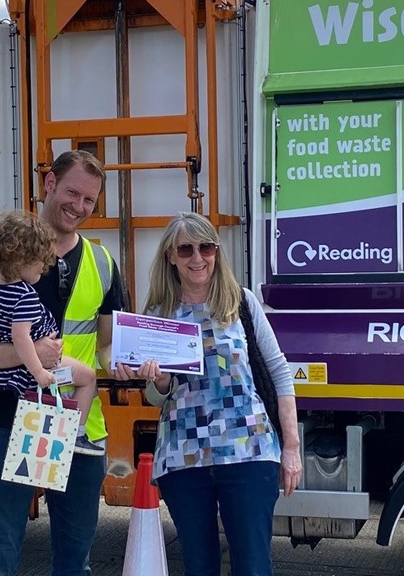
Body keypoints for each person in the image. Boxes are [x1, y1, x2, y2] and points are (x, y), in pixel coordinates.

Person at [0, 150, 126, 576]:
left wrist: (128, 363)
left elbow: (104, 348)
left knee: (74, 565)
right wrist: (26, 356)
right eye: (72, 192)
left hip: (77, 427)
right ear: (48, 184)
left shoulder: (103, 263)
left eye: (89, 200)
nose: (79, 207)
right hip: (7, 420)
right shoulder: (4, 257)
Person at [115, 212, 301, 576]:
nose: (197, 257)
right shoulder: (158, 314)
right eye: (186, 248)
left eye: (206, 247)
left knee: (253, 565)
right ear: (171, 255)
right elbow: (157, 396)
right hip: (185, 457)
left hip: (248, 450)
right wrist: (160, 381)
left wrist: (291, 448)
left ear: (217, 251)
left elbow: (280, 373)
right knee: (199, 566)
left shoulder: (241, 303)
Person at [0, 210, 106, 459]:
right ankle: (78, 434)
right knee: (87, 377)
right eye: (41, 262)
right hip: (32, 367)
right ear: (21, 259)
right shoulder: (25, 297)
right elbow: (22, 338)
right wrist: (39, 370)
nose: (44, 269)